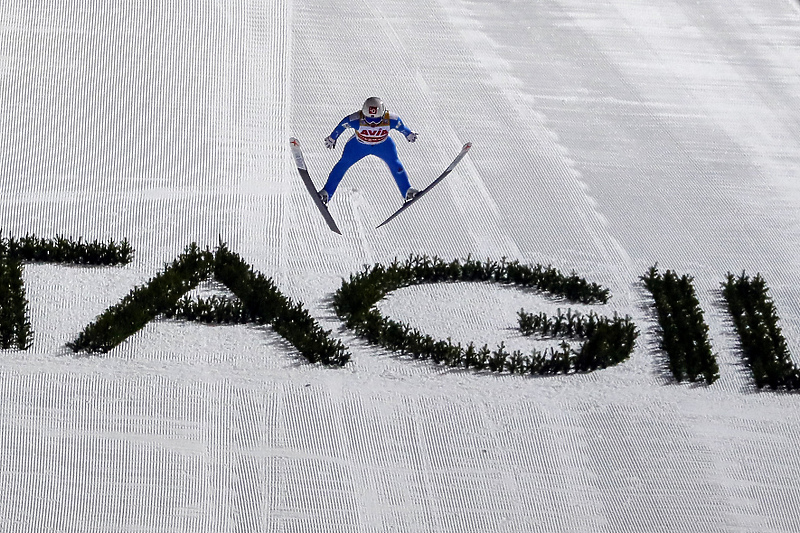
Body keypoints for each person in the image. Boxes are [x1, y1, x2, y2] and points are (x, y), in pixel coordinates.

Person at [318, 97, 418, 205]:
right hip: (358, 146)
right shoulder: (356, 119)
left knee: (396, 164)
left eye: (376, 120)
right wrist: (332, 138)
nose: (372, 124)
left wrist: (408, 134)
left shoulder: (391, 119)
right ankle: (327, 193)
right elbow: (341, 126)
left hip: (383, 146)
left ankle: (407, 190)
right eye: (368, 120)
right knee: (342, 165)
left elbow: (402, 127)